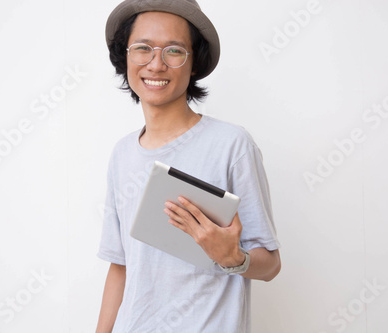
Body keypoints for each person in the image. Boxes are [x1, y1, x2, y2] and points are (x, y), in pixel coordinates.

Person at [96, 0, 281, 332]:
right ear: (126, 57)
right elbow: (120, 267)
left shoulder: (231, 144)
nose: (156, 64)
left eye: (174, 51)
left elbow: (270, 266)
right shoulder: (121, 153)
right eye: (142, 48)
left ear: (194, 62)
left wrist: (233, 259)